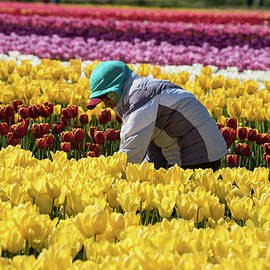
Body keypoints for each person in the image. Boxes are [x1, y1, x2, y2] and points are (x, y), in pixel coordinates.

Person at [87, 61, 227, 171]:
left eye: (107, 97)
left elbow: (132, 150)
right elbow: (153, 140)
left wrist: (113, 180)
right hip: (200, 152)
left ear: (117, 88)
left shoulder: (141, 96)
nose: (106, 105)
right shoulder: (138, 92)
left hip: (196, 155)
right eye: (102, 101)